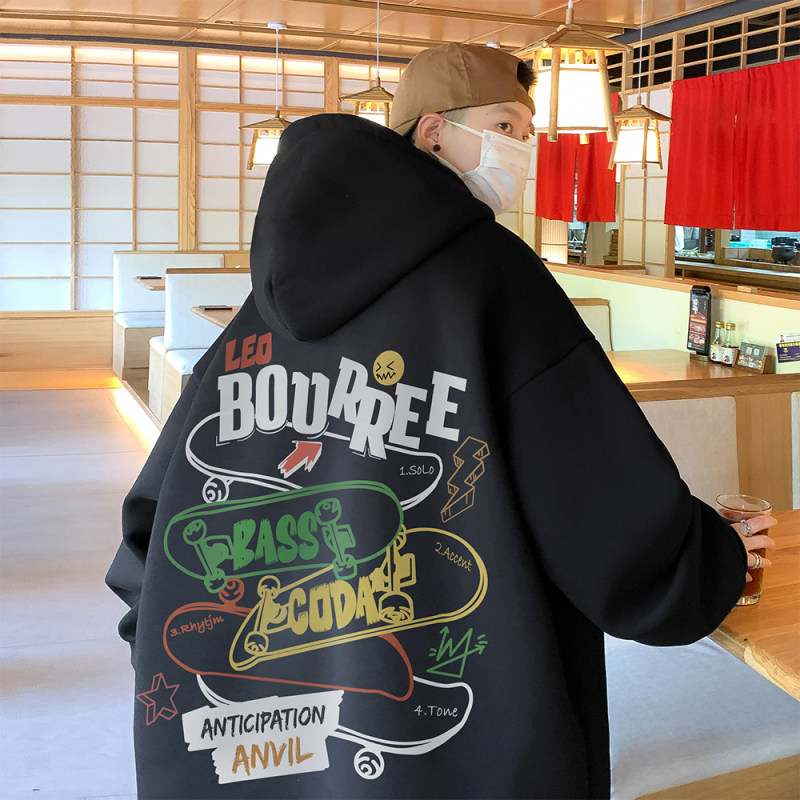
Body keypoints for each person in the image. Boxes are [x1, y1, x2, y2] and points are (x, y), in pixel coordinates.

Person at [106, 42, 776, 799]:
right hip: (452, 747)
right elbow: (597, 504)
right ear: (432, 132)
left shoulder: (263, 306)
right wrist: (706, 561)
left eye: (529, 133)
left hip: (253, 743)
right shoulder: (494, 276)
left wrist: (161, 638)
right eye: (506, 127)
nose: (523, 151)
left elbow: (157, 516)